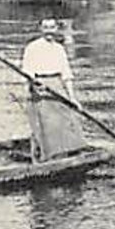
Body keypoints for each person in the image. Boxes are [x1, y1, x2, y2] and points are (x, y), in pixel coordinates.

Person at [21, 17, 86, 161]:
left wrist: (72, 98)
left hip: (56, 86)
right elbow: (27, 70)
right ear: (41, 29)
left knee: (67, 120)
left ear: (56, 29)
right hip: (39, 88)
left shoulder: (59, 49)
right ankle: (44, 157)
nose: (49, 31)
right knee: (45, 123)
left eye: (52, 27)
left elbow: (66, 75)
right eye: (46, 27)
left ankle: (68, 154)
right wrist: (33, 83)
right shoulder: (32, 47)